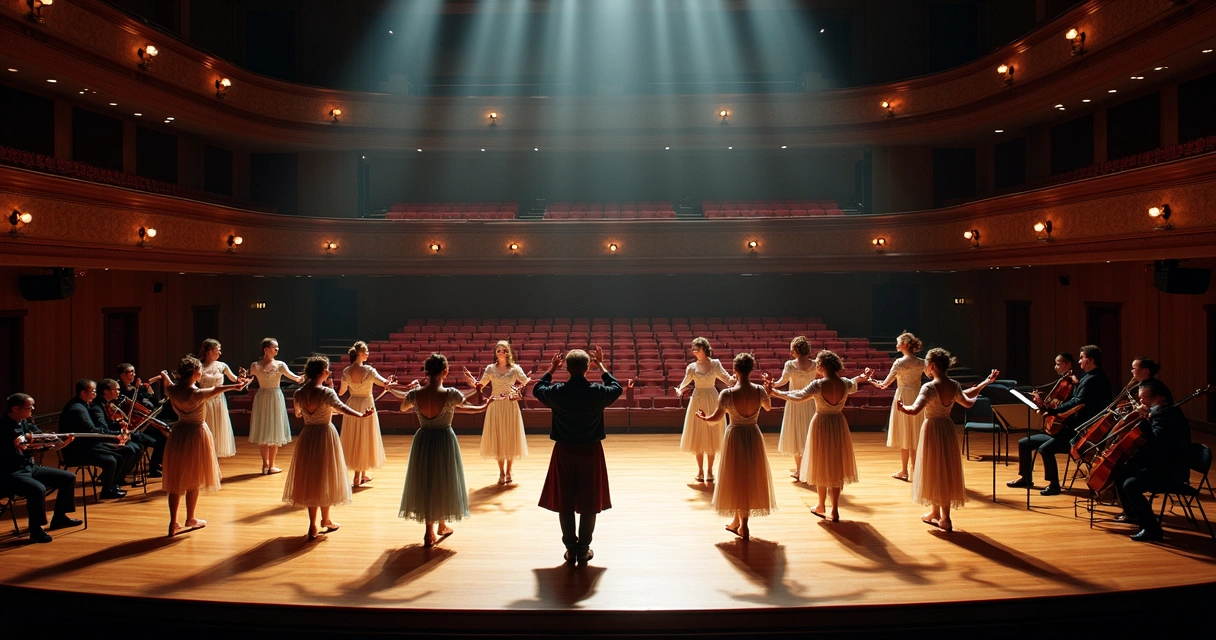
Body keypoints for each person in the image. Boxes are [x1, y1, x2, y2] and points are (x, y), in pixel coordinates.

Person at [533, 347, 623, 564]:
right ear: (587, 367)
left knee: (565, 500)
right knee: (589, 500)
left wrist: (551, 369)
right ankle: (583, 549)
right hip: (590, 451)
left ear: (566, 367)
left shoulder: (557, 392)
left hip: (564, 450)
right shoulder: (596, 392)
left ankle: (570, 548)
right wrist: (601, 366)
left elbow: (538, 389)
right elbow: (616, 387)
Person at [395, 354, 496, 547]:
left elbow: (402, 408)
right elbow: (471, 409)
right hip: (443, 438)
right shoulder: (451, 394)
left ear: (427, 372)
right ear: (445, 371)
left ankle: (430, 530)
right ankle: (441, 525)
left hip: (423, 439)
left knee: (426, 481)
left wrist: (412, 392)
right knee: (443, 479)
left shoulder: (416, 394)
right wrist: (486, 404)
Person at [898, 349, 998, 532]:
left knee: (934, 469)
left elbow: (915, 410)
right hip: (947, 429)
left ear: (932, 365)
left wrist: (903, 408)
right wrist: (985, 383)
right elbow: (967, 402)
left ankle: (945, 519)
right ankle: (937, 513)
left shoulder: (928, 387)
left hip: (932, 429)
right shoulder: (954, 385)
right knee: (944, 470)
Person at [767, 351, 871, 522]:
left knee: (821, 463)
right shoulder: (845, 384)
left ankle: (821, 505)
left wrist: (775, 393)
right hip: (838, 424)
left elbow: (797, 396)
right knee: (835, 465)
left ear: (822, 366)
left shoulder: (818, 385)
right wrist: (861, 377)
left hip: (821, 424)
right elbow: (854, 383)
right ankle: (835, 509)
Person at [160, 356, 251, 537]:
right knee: (193, 478)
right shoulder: (196, 393)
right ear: (194, 372)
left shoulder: (171, 389)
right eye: (199, 370)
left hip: (178, 434)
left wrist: (164, 377)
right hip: (195, 433)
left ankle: (173, 523)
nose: (201, 372)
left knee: (176, 481)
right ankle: (190, 518)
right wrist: (235, 386)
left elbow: (169, 382)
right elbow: (216, 389)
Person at [284, 355, 371, 540]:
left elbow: (299, 414)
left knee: (311, 479)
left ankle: (313, 525)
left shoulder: (299, 393)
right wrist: (361, 415)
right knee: (325, 477)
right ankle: (326, 519)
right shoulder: (326, 393)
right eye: (328, 369)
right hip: (324, 434)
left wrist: (319, 412)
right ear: (323, 372)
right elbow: (342, 408)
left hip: (308, 436)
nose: (329, 372)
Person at [1009, 345, 1112, 495]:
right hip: (1068, 428)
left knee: (1046, 449)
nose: (1079, 361)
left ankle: (1054, 485)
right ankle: (1025, 477)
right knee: (1024, 443)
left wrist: (1051, 410)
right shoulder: (1088, 377)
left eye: (1082, 358)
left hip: (1078, 433)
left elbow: (1077, 402)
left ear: (1090, 360)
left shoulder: (1094, 379)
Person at [695, 353, 774, 541]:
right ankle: (740, 523)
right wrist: (768, 391)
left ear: (735, 370)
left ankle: (740, 524)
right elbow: (768, 408)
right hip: (753, 434)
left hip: (735, 434)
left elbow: (715, 420)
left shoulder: (727, 394)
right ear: (751, 370)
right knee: (748, 477)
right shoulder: (760, 390)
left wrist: (703, 417)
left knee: (737, 477)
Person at [1113, 379, 1192, 542]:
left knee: (1130, 484)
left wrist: (1143, 421)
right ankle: (1133, 515)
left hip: (1171, 470)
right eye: (1140, 398)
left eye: (1144, 398)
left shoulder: (1168, 415)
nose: (1141, 402)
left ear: (1160, 398)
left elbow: (1158, 444)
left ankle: (1152, 529)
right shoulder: (1160, 413)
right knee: (1121, 473)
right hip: (1160, 463)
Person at [1, 394, 81, 543]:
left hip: (29, 468)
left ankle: (59, 518)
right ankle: (36, 530)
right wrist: (26, 445)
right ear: (15, 408)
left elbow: (37, 437)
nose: (33, 409)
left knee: (68, 477)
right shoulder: (3, 427)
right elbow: (12, 452)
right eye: (29, 406)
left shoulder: (23, 421)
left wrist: (57, 443)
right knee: (37, 489)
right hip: (11, 472)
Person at [463, 340, 531, 485]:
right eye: (499, 350)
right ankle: (501, 471)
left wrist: (517, 389)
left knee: (510, 438)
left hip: (510, 405)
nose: (501, 352)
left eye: (504, 350)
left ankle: (509, 471)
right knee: (499, 438)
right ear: (495, 352)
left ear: (509, 352)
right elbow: (481, 385)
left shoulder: (515, 368)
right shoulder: (490, 369)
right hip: (495, 405)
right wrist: (474, 382)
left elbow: (526, 381)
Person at [58, 379, 137, 499]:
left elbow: (95, 430)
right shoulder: (77, 409)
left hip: (88, 445)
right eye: (93, 391)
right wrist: (115, 435)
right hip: (78, 450)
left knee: (124, 451)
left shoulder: (83, 405)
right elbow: (92, 430)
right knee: (111, 460)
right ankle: (107, 490)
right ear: (83, 393)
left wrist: (115, 434)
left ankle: (111, 485)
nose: (95, 394)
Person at [673, 337, 735, 483]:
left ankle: (710, 471)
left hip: (712, 398)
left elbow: (727, 379)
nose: (695, 352)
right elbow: (684, 383)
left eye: (697, 349)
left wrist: (735, 378)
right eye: (693, 349)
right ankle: (700, 470)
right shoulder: (692, 367)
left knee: (712, 434)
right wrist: (680, 391)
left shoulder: (715, 364)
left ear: (705, 349)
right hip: (697, 400)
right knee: (698, 435)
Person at [339, 341, 397, 487]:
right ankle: (358, 477)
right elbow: (385, 384)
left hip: (352, 405)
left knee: (355, 437)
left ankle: (361, 475)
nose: (368, 354)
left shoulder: (346, 371)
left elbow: (341, 392)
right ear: (359, 353)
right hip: (366, 405)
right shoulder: (369, 370)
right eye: (366, 352)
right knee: (364, 437)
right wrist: (389, 381)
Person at [871, 332, 927, 481]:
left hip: (902, 396)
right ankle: (915, 470)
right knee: (914, 433)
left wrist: (871, 380)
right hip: (917, 396)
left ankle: (904, 471)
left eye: (899, 342)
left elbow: (884, 384)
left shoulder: (899, 363)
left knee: (905, 433)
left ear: (906, 344)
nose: (896, 344)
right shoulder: (922, 362)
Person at [249, 338, 306, 475]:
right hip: (262, 397)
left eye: (277, 348)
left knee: (275, 429)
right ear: (266, 349)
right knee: (263, 430)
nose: (277, 350)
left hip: (275, 396)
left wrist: (307, 374)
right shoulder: (255, 365)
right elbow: (247, 381)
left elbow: (296, 379)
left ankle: (271, 464)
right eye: (275, 348)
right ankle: (265, 464)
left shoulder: (280, 365)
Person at [771, 336, 817, 480]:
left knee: (797, 434)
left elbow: (781, 382)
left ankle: (799, 470)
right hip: (809, 401)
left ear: (795, 350)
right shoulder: (815, 364)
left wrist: (770, 385)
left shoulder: (790, 365)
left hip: (794, 402)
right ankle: (809, 468)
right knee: (808, 433)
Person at [91, 378, 147, 488]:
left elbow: (111, 422)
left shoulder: (108, 404)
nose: (119, 392)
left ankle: (118, 477)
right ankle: (114, 479)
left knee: (139, 446)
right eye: (116, 389)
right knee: (133, 448)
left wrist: (122, 426)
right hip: (102, 439)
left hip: (111, 435)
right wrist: (120, 432)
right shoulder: (98, 407)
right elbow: (103, 427)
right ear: (106, 391)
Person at [116, 363, 169, 478]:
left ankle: (154, 467)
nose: (134, 374)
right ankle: (151, 467)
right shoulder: (119, 389)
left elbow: (148, 397)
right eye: (131, 372)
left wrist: (147, 389)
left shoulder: (133, 387)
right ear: (122, 375)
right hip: (131, 426)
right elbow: (126, 404)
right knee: (157, 439)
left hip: (141, 422)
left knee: (163, 436)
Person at [198, 339, 242, 459]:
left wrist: (242, 378)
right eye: (217, 350)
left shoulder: (222, 366)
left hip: (219, 402)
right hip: (205, 401)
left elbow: (235, 379)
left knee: (218, 432)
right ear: (209, 352)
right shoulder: (199, 367)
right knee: (207, 431)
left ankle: (214, 466)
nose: (220, 353)